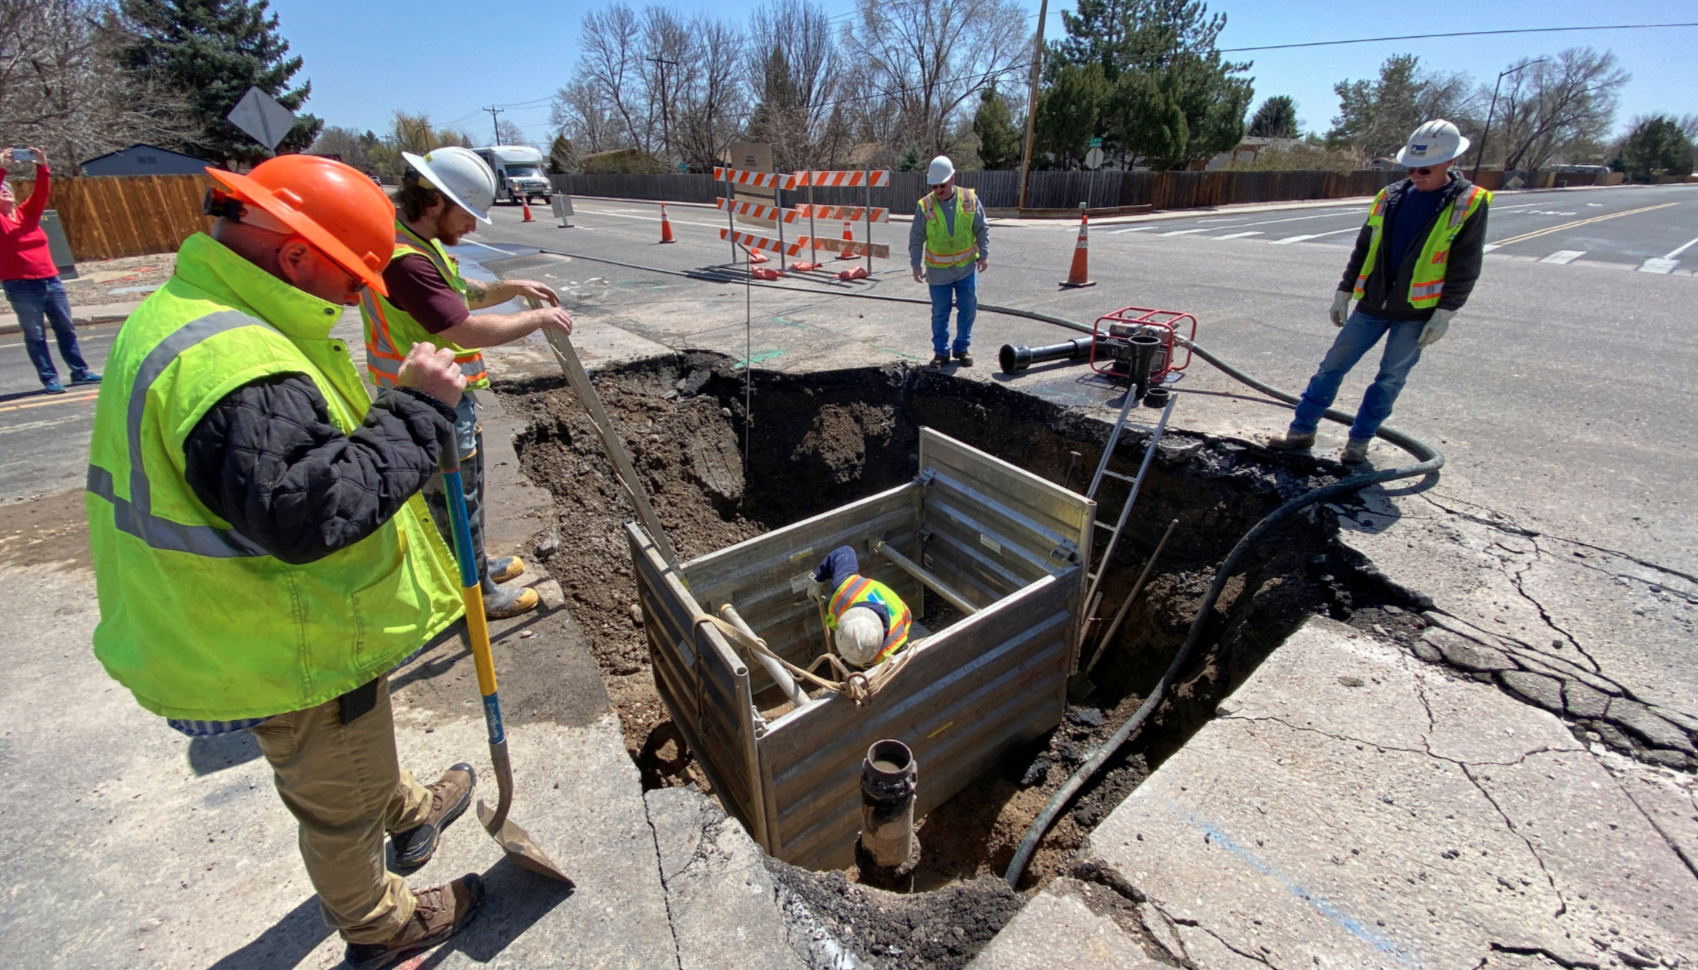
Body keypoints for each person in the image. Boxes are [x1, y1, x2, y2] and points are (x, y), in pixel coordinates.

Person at [87, 154, 485, 970]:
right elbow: (312, 514)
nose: (355, 298)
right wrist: (414, 408)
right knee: (334, 799)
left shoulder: (201, 311)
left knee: (356, 743)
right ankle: (381, 926)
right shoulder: (238, 364)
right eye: (349, 280)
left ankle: (406, 808)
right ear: (298, 255)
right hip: (274, 632)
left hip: (267, 612)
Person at [361, 146, 575, 619]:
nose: (472, 227)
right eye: (468, 214)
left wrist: (512, 287)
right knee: (452, 500)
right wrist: (538, 318)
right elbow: (461, 328)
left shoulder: (419, 242)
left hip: (442, 395)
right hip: (426, 400)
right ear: (435, 201)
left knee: (467, 493)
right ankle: (474, 595)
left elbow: (459, 295)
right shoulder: (405, 262)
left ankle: (475, 565)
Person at [1269, 119, 1490, 463]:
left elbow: (1466, 263)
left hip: (1417, 313)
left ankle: (1359, 442)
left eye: (1425, 169)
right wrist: (1344, 290)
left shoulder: (1467, 203)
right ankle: (1301, 430)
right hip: (1372, 305)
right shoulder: (1391, 197)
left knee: (1389, 379)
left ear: (1450, 162)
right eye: (1412, 168)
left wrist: (1446, 312)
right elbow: (1363, 247)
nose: (1416, 175)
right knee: (1331, 366)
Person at [1, 147, 99, 393]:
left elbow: (42, 191)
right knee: (35, 335)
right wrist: (1, 167)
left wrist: (42, 164)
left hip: (51, 281)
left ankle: (80, 371)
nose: (5, 191)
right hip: (20, 285)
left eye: (7, 189)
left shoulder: (27, 214)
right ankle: (49, 378)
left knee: (65, 328)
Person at [909, 154, 989, 368]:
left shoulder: (969, 199)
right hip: (938, 271)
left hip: (966, 268)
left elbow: (981, 227)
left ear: (952, 179)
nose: (938, 190)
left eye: (942, 185)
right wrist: (915, 264)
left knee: (968, 308)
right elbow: (916, 237)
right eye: (934, 186)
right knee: (940, 313)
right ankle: (941, 352)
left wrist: (984, 253)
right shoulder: (925, 205)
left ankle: (961, 348)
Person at [813, 545, 913, 668]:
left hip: (895, 651)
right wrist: (818, 581)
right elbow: (844, 552)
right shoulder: (846, 587)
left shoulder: (883, 652)